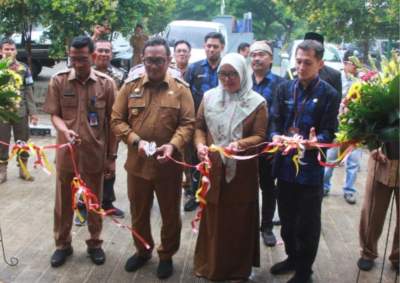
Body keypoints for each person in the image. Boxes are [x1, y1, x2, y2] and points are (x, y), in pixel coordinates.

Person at [111, 37, 195, 279]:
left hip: (168, 166)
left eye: (159, 60)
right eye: (149, 60)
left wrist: (173, 145)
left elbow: (188, 124)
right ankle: (143, 250)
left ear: (168, 60)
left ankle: (166, 255)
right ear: (142, 59)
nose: (154, 65)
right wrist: (135, 140)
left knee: (170, 214)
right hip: (137, 165)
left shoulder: (181, 89)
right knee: (138, 212)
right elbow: (116, 120)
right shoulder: (130, 86)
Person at [269, 39, 340, 283]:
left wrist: (315, 140)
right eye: (298, 61)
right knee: (287, 221)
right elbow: (274, 121)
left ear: (319, 64)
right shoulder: (284, 89)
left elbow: (331, 132)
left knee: (306, 225)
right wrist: (275, 136)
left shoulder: (329, 94)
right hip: (285, 167)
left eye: (307, 62)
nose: (301, 67)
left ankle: (304, 272)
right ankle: (291, 257)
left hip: (310, 172)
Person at [43, 36, 117, 267]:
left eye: (83, 59)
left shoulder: (106, 84)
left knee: (94, 201)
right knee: (63, 201)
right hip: (68, 155)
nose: (77, 64)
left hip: (95, 153)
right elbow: (54, 114)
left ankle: (95, 243)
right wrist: (65, 130)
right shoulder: (59, 81)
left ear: (93, 57)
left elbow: (114, 124)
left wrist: (111, 158)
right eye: (73, 59)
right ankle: (62, 244)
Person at [193, 53, 267, 281]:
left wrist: (240, 144)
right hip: (214, 168)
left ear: (243, 73)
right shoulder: (210, 97)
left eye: (233, 74)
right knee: (214, 217)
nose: (227, 79)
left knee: (238, 218)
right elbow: (199, 127)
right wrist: (200, 145)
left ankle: (237, 269)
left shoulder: (256, 102)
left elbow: (260, 136)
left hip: (241, 172)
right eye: (223, 74)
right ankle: (211, 266)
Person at [74, 40, 126, 226]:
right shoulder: (82, 70)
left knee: (109, 165)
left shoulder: (119, 75)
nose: (104, 54)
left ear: (112, 54)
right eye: (100, 50)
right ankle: (81, 207)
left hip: (110, 125)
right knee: (81, 168)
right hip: (86, 127)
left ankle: (106, 202)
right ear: (94, 53)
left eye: (107, 51)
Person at [184, 31, 225, 212]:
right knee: (196, 160)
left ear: (222, 47)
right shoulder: (194, 68)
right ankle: (195, 194)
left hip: (221, 125)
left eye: (215, 46)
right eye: (208, 45)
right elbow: (185, 95)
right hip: (197, 123)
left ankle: (215, 194)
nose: (211, 49)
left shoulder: (227, 67)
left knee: (217, 160)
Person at [250, 41, 285, 247]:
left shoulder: (281, 84)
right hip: (247, 148)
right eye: (253, 55)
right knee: (247, 187)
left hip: (269, 148)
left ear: (271, 59)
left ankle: (267, 227)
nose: (256, 58)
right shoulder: (244, 82)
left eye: (261, 54)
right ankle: (249, 224)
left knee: (268, 188)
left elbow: (283, 117)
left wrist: (277, 142)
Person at [323, 50, 363, 204]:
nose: (355, 66)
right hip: (338, 125)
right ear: (345, 63)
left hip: (356, 126)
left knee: (353, 160)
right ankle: (325, 186)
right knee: (331, 158)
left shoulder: (364, 81)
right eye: (352, 63)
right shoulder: (336, 77)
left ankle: (349, 190)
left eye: (357, 63)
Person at [0, 38, 38, 183]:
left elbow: (29, 91)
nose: (9, 52)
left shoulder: (24, 69)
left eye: (12, 49)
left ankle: (23, 169)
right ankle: (2, 172)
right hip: (2, 114)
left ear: (16, 51)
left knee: (22, 141)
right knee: (2, 142)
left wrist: (33, 112)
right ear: (1, 51)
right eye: (6, 49)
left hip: (20, 112)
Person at [358, 143, 399, 272]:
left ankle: (398, 256)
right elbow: (365, 125)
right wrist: (372, 146)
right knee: (372, 211)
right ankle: (368, 252)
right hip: (381, 160)